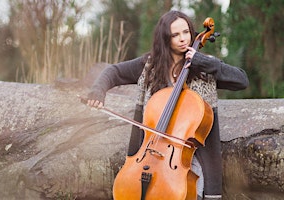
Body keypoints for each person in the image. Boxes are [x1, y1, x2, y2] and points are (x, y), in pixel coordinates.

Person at [86, 10, 249, 200]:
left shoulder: (204, 68)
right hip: (148, 157)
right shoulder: (149, 66)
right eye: (175, 35)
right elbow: (113, 72)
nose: (183, 39)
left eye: (186, 32)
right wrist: (98, 90)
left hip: (189, 161)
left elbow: (242, 80)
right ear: (165, 39)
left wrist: (203, 62)